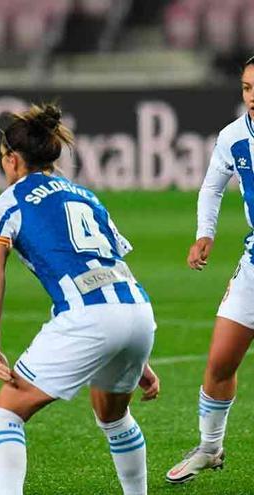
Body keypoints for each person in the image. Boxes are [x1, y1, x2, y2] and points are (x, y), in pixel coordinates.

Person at [0, 103, 160, 495]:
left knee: (5, 413)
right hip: (138, 311)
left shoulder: (8, 203)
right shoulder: (86, 196)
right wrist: (138, 356)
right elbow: (111, 262)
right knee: (113, 416)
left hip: (88, 317)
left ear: (12, 161)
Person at [165, 57, 254, 484]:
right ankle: (209, 448)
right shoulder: (234, 137)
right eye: (246, 87)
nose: (252, 96)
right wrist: (205, 234)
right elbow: (212, 187)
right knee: (220, 362)